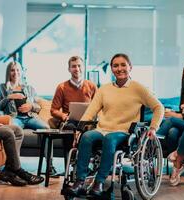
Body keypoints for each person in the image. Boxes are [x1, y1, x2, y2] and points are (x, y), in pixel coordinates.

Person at [67, 53, 164, 197]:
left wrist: (153, 127)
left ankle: (99, 182)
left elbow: (158, 107)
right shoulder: (104, 89)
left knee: (110, 139)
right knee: (87, 137)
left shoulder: (139, 88)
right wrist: (80, 129)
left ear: (130, 67)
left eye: (123, 65)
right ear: (112, 69)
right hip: (102, 129)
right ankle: (80, 181)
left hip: (123, 132)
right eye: (115, 65)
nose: (119, 68)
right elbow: (91, 111)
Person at [0, 61, 49, 130]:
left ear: (21, 72)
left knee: (46, 127)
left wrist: (31, 106)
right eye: (12, 70)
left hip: (30, 118)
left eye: (18, 70)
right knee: (11, 128)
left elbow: (38, 107)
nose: (15, 73)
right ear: (8, 72)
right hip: (15, 118)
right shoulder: (2, 87)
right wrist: (9, 97)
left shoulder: (29, 88)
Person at [50, 56, 97, 129]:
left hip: (88, 121)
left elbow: (99, 106)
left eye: (79, 66)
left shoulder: (92, 86)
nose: (77, 69)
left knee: (91, 128)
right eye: (74, 66)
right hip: (69, 122)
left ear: (83, 68)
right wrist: (63, 116)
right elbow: (53, 110)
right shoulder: (61, 87)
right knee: (70, 127)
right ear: (69, 69)